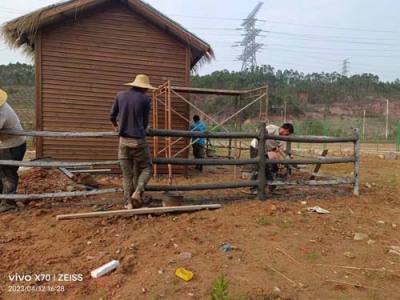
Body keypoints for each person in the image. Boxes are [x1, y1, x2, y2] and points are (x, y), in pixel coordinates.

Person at [109, 74, 156, 209]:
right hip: (139, 141)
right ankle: (138, 191)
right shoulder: (146, 100)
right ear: (144, 88)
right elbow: (145, 122)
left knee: (127, 174)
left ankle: (128, 203)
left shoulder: (120, 95)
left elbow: (111, 116)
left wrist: (116, 127)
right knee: (147, 168)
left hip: (123, 141)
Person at [0, 88, 27, 212]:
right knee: (2, 172)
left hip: (13, 145)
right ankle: (3, 197)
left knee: (8, 173)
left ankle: (8, 203)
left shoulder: (2, 112)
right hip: (8, 144)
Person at [249, 123, 294, 193]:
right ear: (286, 129)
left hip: (265, 151)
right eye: (288, 133)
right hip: (256, 147)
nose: (287, 135)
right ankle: (254, 187)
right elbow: (260, 132)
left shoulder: (282, 139)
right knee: (257, 167)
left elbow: (281, 149)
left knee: (267, 168)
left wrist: (286, 157)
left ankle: (272, 187)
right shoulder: (272, 128)